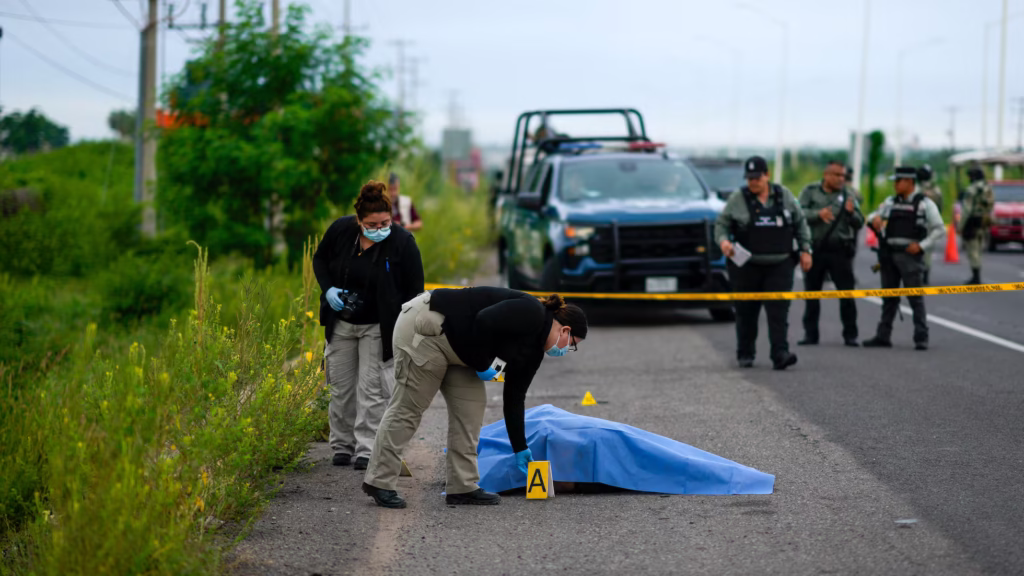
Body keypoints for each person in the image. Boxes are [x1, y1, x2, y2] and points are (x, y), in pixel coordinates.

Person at [362, 289, 588, 508]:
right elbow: (484, 320)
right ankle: (379, 481)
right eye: (572, 344)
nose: (567, 349)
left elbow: (515, 397)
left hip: (462, 348)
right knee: (408, 408)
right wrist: (482, 364)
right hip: (427, 327)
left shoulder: (533, 353)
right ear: (565, 330)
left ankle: (462, 487)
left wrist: (520, 447)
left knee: (471, 409)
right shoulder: (532, 312)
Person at [312, 180, 425, 471]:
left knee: (373, 390)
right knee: (340, 388)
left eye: (385, 223)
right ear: (359, 221)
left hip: (379, 326)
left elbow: (416, 290)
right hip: (342, 323)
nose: (380, 229)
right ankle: (341, 445)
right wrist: (328, 290)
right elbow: (320, 259)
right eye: (372, 224)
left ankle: (366, 449)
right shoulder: (341, 231)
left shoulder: (402, 242)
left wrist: (407, 329)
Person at [715, 155, 813, 370]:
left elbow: (800, 224)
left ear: (767, 175)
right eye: (749, 178)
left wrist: (806, 250)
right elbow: (721, 225)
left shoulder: (785, 196)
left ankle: (780, 353)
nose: (753, 182)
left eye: (757, 177)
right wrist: (723, 242)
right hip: (747, 266)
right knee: (746, 311)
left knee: (778, 311)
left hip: (780, 264)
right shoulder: (737, 199)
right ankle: (745, 353)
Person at [862, 166, 944, 351]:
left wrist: (922, 246)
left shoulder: (924, 203)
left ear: (909, 182)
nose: (895, 184)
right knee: (889, 297)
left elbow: (939, 229)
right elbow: (874, 215)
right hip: (889, 255)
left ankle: (921, 337)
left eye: (898, 181)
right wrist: (874, 218)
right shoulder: (891, 201)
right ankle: (883, 336)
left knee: (915, 298)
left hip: (910, 257)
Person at [798, 160, 865, 347]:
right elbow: (798, 214)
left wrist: (852, 214)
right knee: (811, 293)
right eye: (836, 175)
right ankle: (810, 334)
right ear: (826, 175)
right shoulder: (810, 191)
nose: (840, 179)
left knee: (847, 294)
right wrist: (817, 214)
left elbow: (860, 222)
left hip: (840, 251)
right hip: (816, 249)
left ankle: (850, 334)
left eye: (843, 176)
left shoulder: (848, 194)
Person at [958, 166, 994, 285]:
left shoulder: (971, 190)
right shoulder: (987, 188)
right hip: (984, 221)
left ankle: (976, 277)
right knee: (979, 247)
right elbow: (991, 205)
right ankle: (977, 275)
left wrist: (960, 226)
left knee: (972, 250)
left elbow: (967, 210)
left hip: (972, 222)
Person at [917, 164, 942, 285]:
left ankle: (918, 274)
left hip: (917, 222)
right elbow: (940, 207)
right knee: (928, 250)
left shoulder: (916, 188)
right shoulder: (935, 189)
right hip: (931, 223)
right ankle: (925, 275)